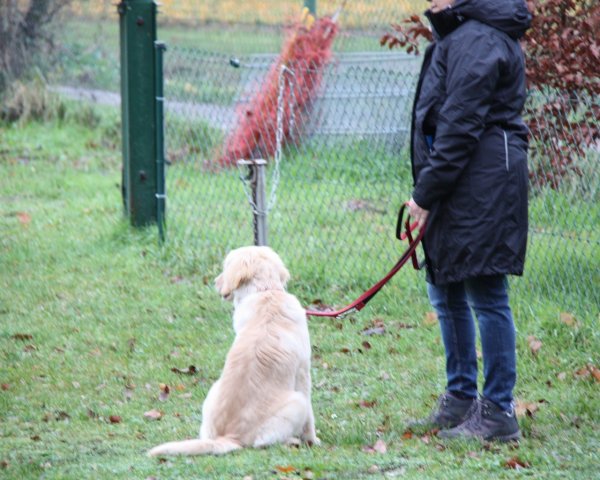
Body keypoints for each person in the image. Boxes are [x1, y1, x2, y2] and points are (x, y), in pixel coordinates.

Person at [406, 0, 531, 442]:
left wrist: (424, 194)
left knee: (486, 293)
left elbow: (458, 125)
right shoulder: (463, 35)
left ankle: (498, 411)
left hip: (482, 184)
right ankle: (460, 398)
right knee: (445, 288)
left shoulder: (478, 39)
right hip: (460, 183)